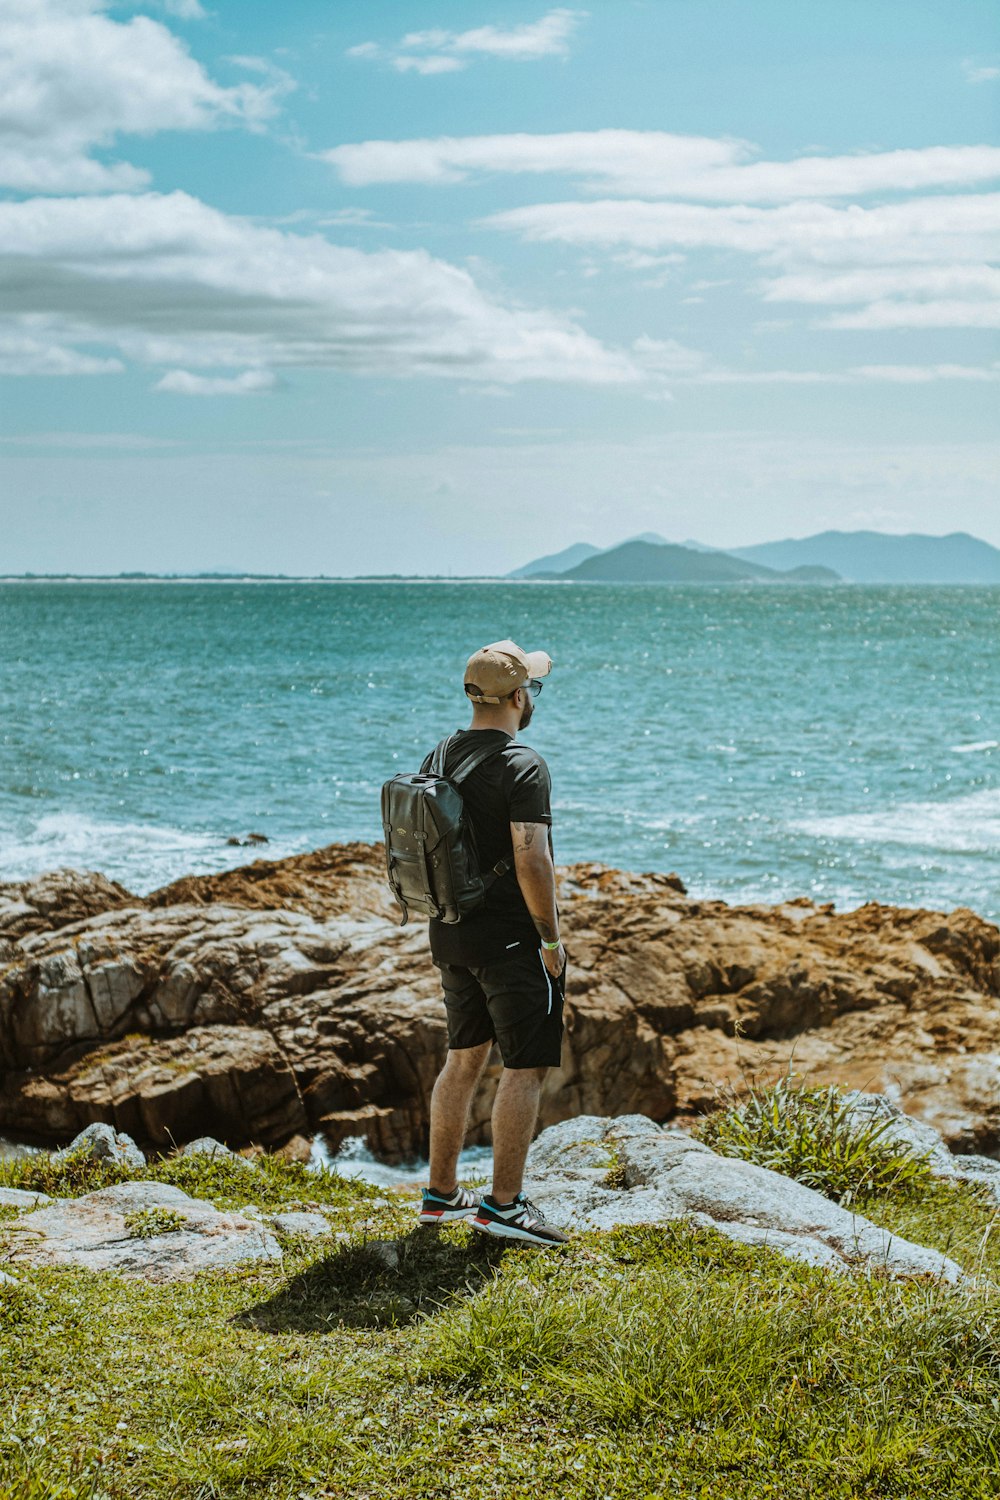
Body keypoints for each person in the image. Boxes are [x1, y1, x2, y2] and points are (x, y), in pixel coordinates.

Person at [417, 639, 569, 1247]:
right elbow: (532, 859)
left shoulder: (439, 754)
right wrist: (551, 939)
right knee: (525, 1066)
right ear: (516, 697)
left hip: (450, 932)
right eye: (530, 686)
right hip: (509, 939)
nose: (531, 695)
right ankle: (504, 1207)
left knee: (462, 1060)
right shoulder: (522, 764)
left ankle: (441, 1194)